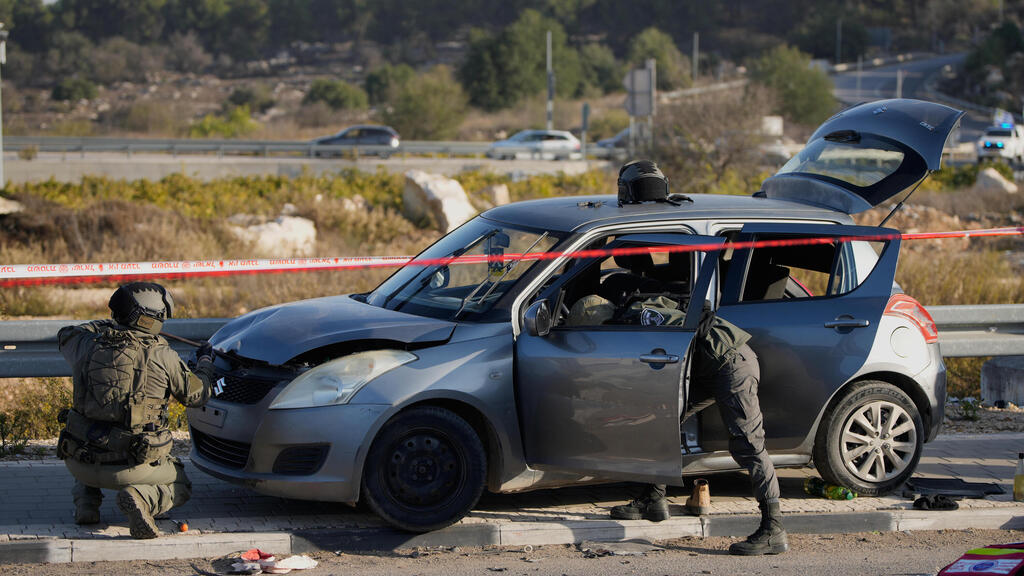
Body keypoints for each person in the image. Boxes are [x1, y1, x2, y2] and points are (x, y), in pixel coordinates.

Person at [57, 282, 213, 539]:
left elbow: (67, 333)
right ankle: (142, 497)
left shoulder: (86, 345)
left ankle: (86, 505)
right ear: (153, 318)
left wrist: (109, 326)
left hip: (79, 462)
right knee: (181, 483)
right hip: (130, 468)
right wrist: (206, 363)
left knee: (90, 432)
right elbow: (197, 395)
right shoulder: (162, 355)